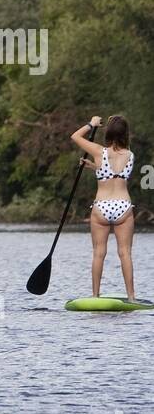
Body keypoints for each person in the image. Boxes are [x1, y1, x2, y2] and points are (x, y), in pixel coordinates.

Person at [70, 115, 136, 301]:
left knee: (99, 252)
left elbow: (75, 136)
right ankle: (131, 297)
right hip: (123, 206)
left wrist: (91, 125)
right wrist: (94, 167)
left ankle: (95, 295)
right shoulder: (130, 155)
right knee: (125, 253)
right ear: (125, 134)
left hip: (102, 207)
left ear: (107, 132)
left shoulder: (99, 151)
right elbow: (116, 174)